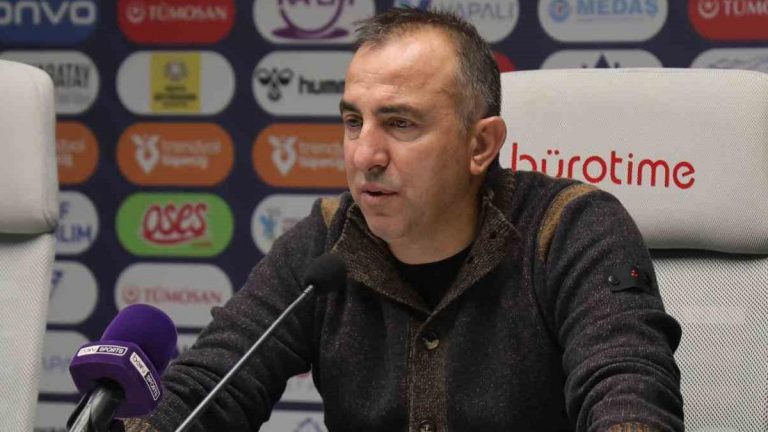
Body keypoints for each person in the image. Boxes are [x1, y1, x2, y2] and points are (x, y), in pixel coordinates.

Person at [123, 7, 683, 432]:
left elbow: (627, 392)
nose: (365, 155)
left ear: (480, 145)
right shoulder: (326, 243)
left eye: (400, 124)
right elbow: (213, 385)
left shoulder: (571, 230)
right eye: (353, 122)